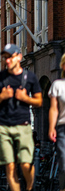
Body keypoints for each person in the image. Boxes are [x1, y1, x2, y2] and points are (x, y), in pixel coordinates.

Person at [0, 43, 42, 191]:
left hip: (23, 125)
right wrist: (1, 97)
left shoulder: (29, 77)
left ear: (19, 57)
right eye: (5, 57)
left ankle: (29, 187)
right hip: (4, 127)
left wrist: (25, 98)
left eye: (10, 57)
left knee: (25, 164)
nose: (7, 60)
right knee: (10, 166)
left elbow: (39, 101)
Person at [48, 53, 65, 191]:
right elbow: (54, 108)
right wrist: (52, 127)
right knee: (64, 164)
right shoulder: (57, 85)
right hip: (62, 128)